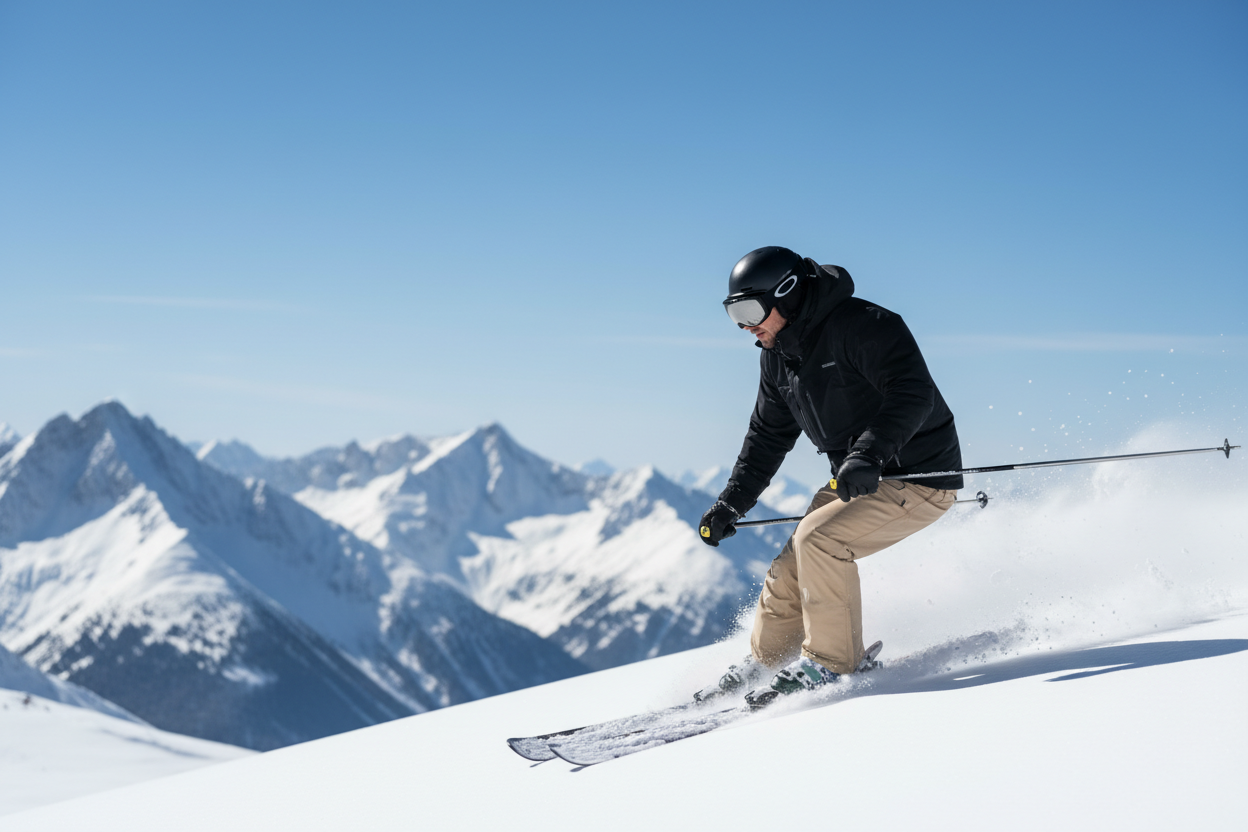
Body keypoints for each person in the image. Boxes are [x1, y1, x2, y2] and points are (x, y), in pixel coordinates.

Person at [696, 246, 963, 707]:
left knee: (820, 542)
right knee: (790, 564)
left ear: (788, 293)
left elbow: (912, 392)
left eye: (750, 310)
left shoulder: (865, 325)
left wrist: (870, 453)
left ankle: (834, 664)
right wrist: (731, 504)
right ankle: (769, 661)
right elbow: (767, 436)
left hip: (921, 476)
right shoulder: (777, 355)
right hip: (859, 476)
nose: (745, 325)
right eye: (733, 313)